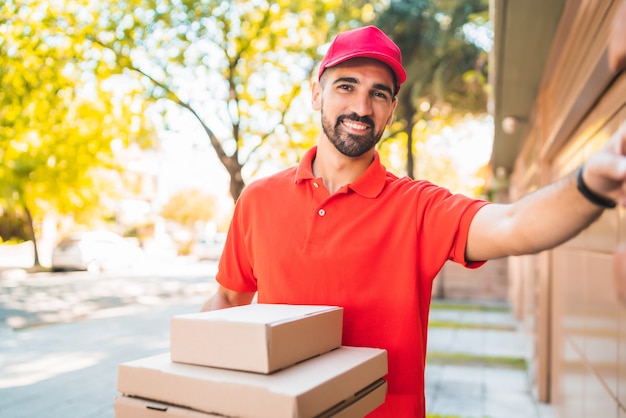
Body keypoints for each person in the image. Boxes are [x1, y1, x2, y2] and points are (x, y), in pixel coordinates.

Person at [201, 25, 626, 416]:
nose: (361, 107)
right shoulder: (258, 199)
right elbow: (227, 300)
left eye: (379, 94)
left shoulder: (417, 207)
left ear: (391, 109)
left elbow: (513, 224)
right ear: (317, 93)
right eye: (346, 86)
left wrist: (592, 182)